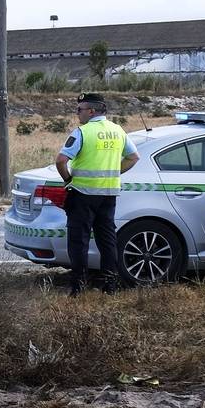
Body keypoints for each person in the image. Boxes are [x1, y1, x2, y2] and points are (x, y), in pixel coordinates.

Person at [55, 92, 138, 295]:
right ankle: (110, 286)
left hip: (82, 193)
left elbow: (60, 161)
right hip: (109, 194)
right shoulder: (118, 130)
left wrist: (68, 180)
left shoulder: (83, 132)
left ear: (91, 111)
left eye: (80, 110)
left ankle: (78, 288)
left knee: (78, 241)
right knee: (107, 240)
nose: (77, 114)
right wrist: (114, 172)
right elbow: (134, 157)